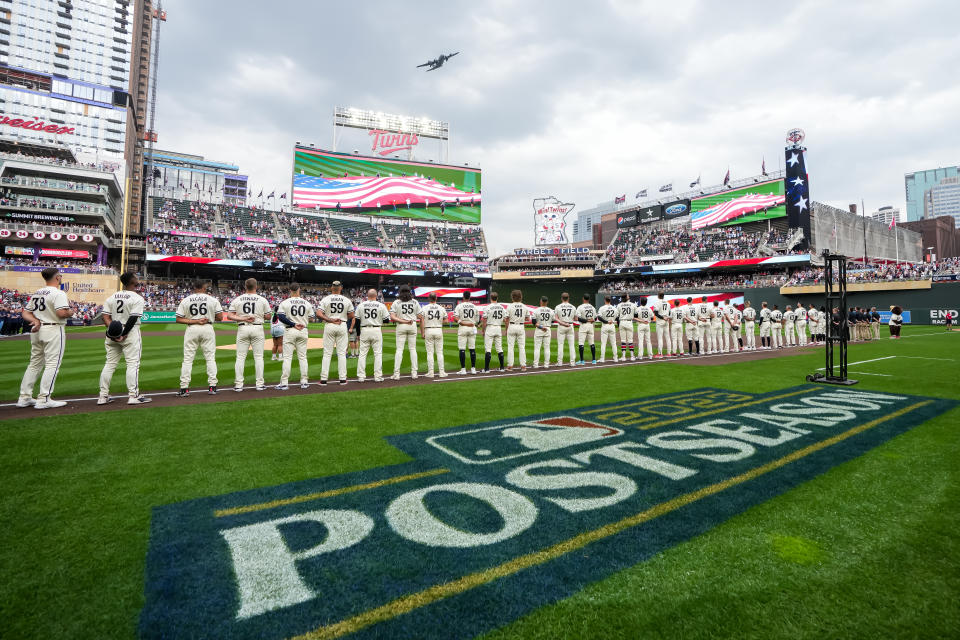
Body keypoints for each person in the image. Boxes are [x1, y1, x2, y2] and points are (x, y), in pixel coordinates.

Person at [17, 267, 73, 409]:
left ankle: (24, 397)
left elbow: (26, 313)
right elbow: (61, 313)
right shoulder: (58, 293)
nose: (61, 277)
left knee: (34, 363)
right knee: (52, 364)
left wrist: (35, 321)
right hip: (53, 328)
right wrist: (71, 312)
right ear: (57, 278)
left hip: (38, 329)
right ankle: (44, 398)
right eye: (60, 276)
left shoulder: (38, 292)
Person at [97, 272, 150, 405]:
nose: (138, 279)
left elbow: (105, 316)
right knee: (132, 364)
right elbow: (133, 318)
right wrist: (123, 333)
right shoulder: (137, 298)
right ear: (133, 282)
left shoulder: (112, 297)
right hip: (129, 332)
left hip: (112, 333)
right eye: (136, 278)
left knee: (109, 364)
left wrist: (113, 330)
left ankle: (103, 397)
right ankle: (133, 396)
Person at [175, 282, 223, 396]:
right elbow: (220, 317)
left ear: (194, 288)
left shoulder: (186, 299)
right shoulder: (212, 299)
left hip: (192, 328)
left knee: (187, 359)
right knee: (210, 358)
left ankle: (184, 388)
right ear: (204, 288)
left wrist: (195, 320)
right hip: (207, 327)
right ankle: (212, 387)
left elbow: (178, 319)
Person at [228, 278, 271, 392]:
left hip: (243, 327)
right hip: (257, 327)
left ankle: (238, 385)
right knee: (258, 357)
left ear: (245, 287)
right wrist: (258, 315)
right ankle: (260, 384)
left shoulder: (238, 299)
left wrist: (243, 317)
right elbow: (268, 316)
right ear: (256, 286)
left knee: (240, 357)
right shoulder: (262, 299)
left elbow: (230, 315)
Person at [275, 283, 316, 390]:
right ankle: (304, 381)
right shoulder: (306, 303)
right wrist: (302, 320)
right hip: (303, 330)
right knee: (302, 357)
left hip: (290, 330)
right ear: (299, 290)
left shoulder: (285, 302)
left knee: (287, 358)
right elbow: (312, 319)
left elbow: (280, 316)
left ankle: (284, 383)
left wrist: (293, 324)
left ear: (290, 290)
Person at [317, 280, 355, 385]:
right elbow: (352, 316)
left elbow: (319, 313)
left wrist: (330, 319)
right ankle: (342, 379)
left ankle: (324, 379)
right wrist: (341, 318)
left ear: (331, 288)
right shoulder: (346, 300)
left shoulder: (326, 299)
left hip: (329, 325)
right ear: (341, 288)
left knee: (327, 353)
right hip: (342, 325)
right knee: (342, 353)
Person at [355, 289, 389, 382]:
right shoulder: (381, 305)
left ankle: (361, 377)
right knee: (378, 354)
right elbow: (386, 320)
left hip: (364, 330)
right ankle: (377, 376)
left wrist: (358, 334)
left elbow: (357, 321)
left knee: (362, 354)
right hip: (376, 329)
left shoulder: (361, 305)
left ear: (367, 295)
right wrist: (378, 320)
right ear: (376, 295)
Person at [390, 285, 422, 379]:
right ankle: (414, 373)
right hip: (412, 325)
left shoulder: (397, 302)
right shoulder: (415, 301)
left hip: (401, 325)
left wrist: (402, 320)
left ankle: (396, 374)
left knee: (399, 350)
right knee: (413, 349)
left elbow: (392, 316)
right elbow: (420, 316)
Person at [420, 292, 448, 377]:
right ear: (436, 298)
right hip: (438, 329)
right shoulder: (441, 308)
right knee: (439, 352)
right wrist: (439, 323)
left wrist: (422, 332)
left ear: (429, 299)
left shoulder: (424, 308)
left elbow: (421, 321)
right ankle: (442, 372)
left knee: (430, 353)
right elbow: (446, 321)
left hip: (428, 329)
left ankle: (431, 372)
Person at [453, 291, 480, 374]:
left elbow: (455, 318)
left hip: (463, 327)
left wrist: (462, 322)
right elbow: (477, 320)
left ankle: (463, 369)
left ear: (463, 297)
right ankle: (473, 369)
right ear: (470, 297)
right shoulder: (474, 306)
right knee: (472, 349)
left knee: (462, 349)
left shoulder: (459, 306)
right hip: (472, 327)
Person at [505, 289, 531, 371]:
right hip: (520, 326)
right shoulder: (524, 306)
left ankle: (510, 366)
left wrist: (506, 329)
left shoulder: (509, 306)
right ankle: (523, 366)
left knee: (510, 347)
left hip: (512, 326)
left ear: (512, 297)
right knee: (522, 347)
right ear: (521, 297)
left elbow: (507, 319)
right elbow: (527, 318)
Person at [481, 291, 506, 372]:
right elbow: (505, 319)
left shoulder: (487, 307)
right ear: (497, 298)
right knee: (499, 348)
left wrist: (483, 331)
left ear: (490, 298)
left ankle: (486, 369)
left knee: (488, 349)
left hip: (490, 327)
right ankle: (502, 368)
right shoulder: (502, 307)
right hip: (498, 328)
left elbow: (484, 320)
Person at [554, 292, 576, 367]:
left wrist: (563, 323)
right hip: (570, 325)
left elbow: (556, 318)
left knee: (560, 345)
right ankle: (572, 362)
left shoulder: (558, 307)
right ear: (568, 298)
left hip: (561, 326)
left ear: (561, 298)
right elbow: (576, 318)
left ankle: (560, 363)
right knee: (571, 345)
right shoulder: (573, 307)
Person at [532, 296, 555, 368]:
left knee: (537, 348)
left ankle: (535, 365)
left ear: (541, 301)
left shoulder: (536, 310)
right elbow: (553, 321)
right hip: (547, 329)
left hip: (539, 329)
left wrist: (541, 327)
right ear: (547, 302)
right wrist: (546, 326)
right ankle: (546, 364)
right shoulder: (551, 311)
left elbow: (534, 322)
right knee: (547, 348)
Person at [575, 293, 597, 365]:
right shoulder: (592, 307)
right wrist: (591, 320)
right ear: (589, 299)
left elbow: (578, 318)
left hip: (584, 325)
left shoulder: (580, 307)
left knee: (581, 343)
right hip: (591, 325)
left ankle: (582, 361)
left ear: (583, 299)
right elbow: (595, 318)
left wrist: (587, 320)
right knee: (592, 343)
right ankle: (594, 360)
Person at [596, 295, 619, 363]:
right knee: (613, 343)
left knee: (603, 343)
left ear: (604, 300)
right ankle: (615, 358)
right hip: (612, 325)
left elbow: (599, 318)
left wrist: (606, 321)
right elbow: (617, 318)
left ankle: (602, 358)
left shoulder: (602, 308)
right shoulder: (614, 308)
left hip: (605, 325)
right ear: (610, 300)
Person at [616, 294, 637, 360]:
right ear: (627, 297)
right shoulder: (633, 304)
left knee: (623, 340)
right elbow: (636, 315)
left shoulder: (619, 305)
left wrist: (619, 325)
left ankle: (623, 356)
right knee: (630, 340)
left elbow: (617, 316)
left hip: (622, 322)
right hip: (629, 322)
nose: (629, 296)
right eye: (628, 296)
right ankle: (632, 356)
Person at [654, 292, 672, 358]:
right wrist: (667, 318)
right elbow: (670, 313)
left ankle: (660, 354)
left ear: (658, 296)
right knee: (667, 337)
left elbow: (656, 313)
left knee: (660, 338)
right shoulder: (668, 303)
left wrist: (663, 317)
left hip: (660, 321)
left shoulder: (657, 302)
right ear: (663, 296)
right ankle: (669, 353)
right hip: (666, 320)